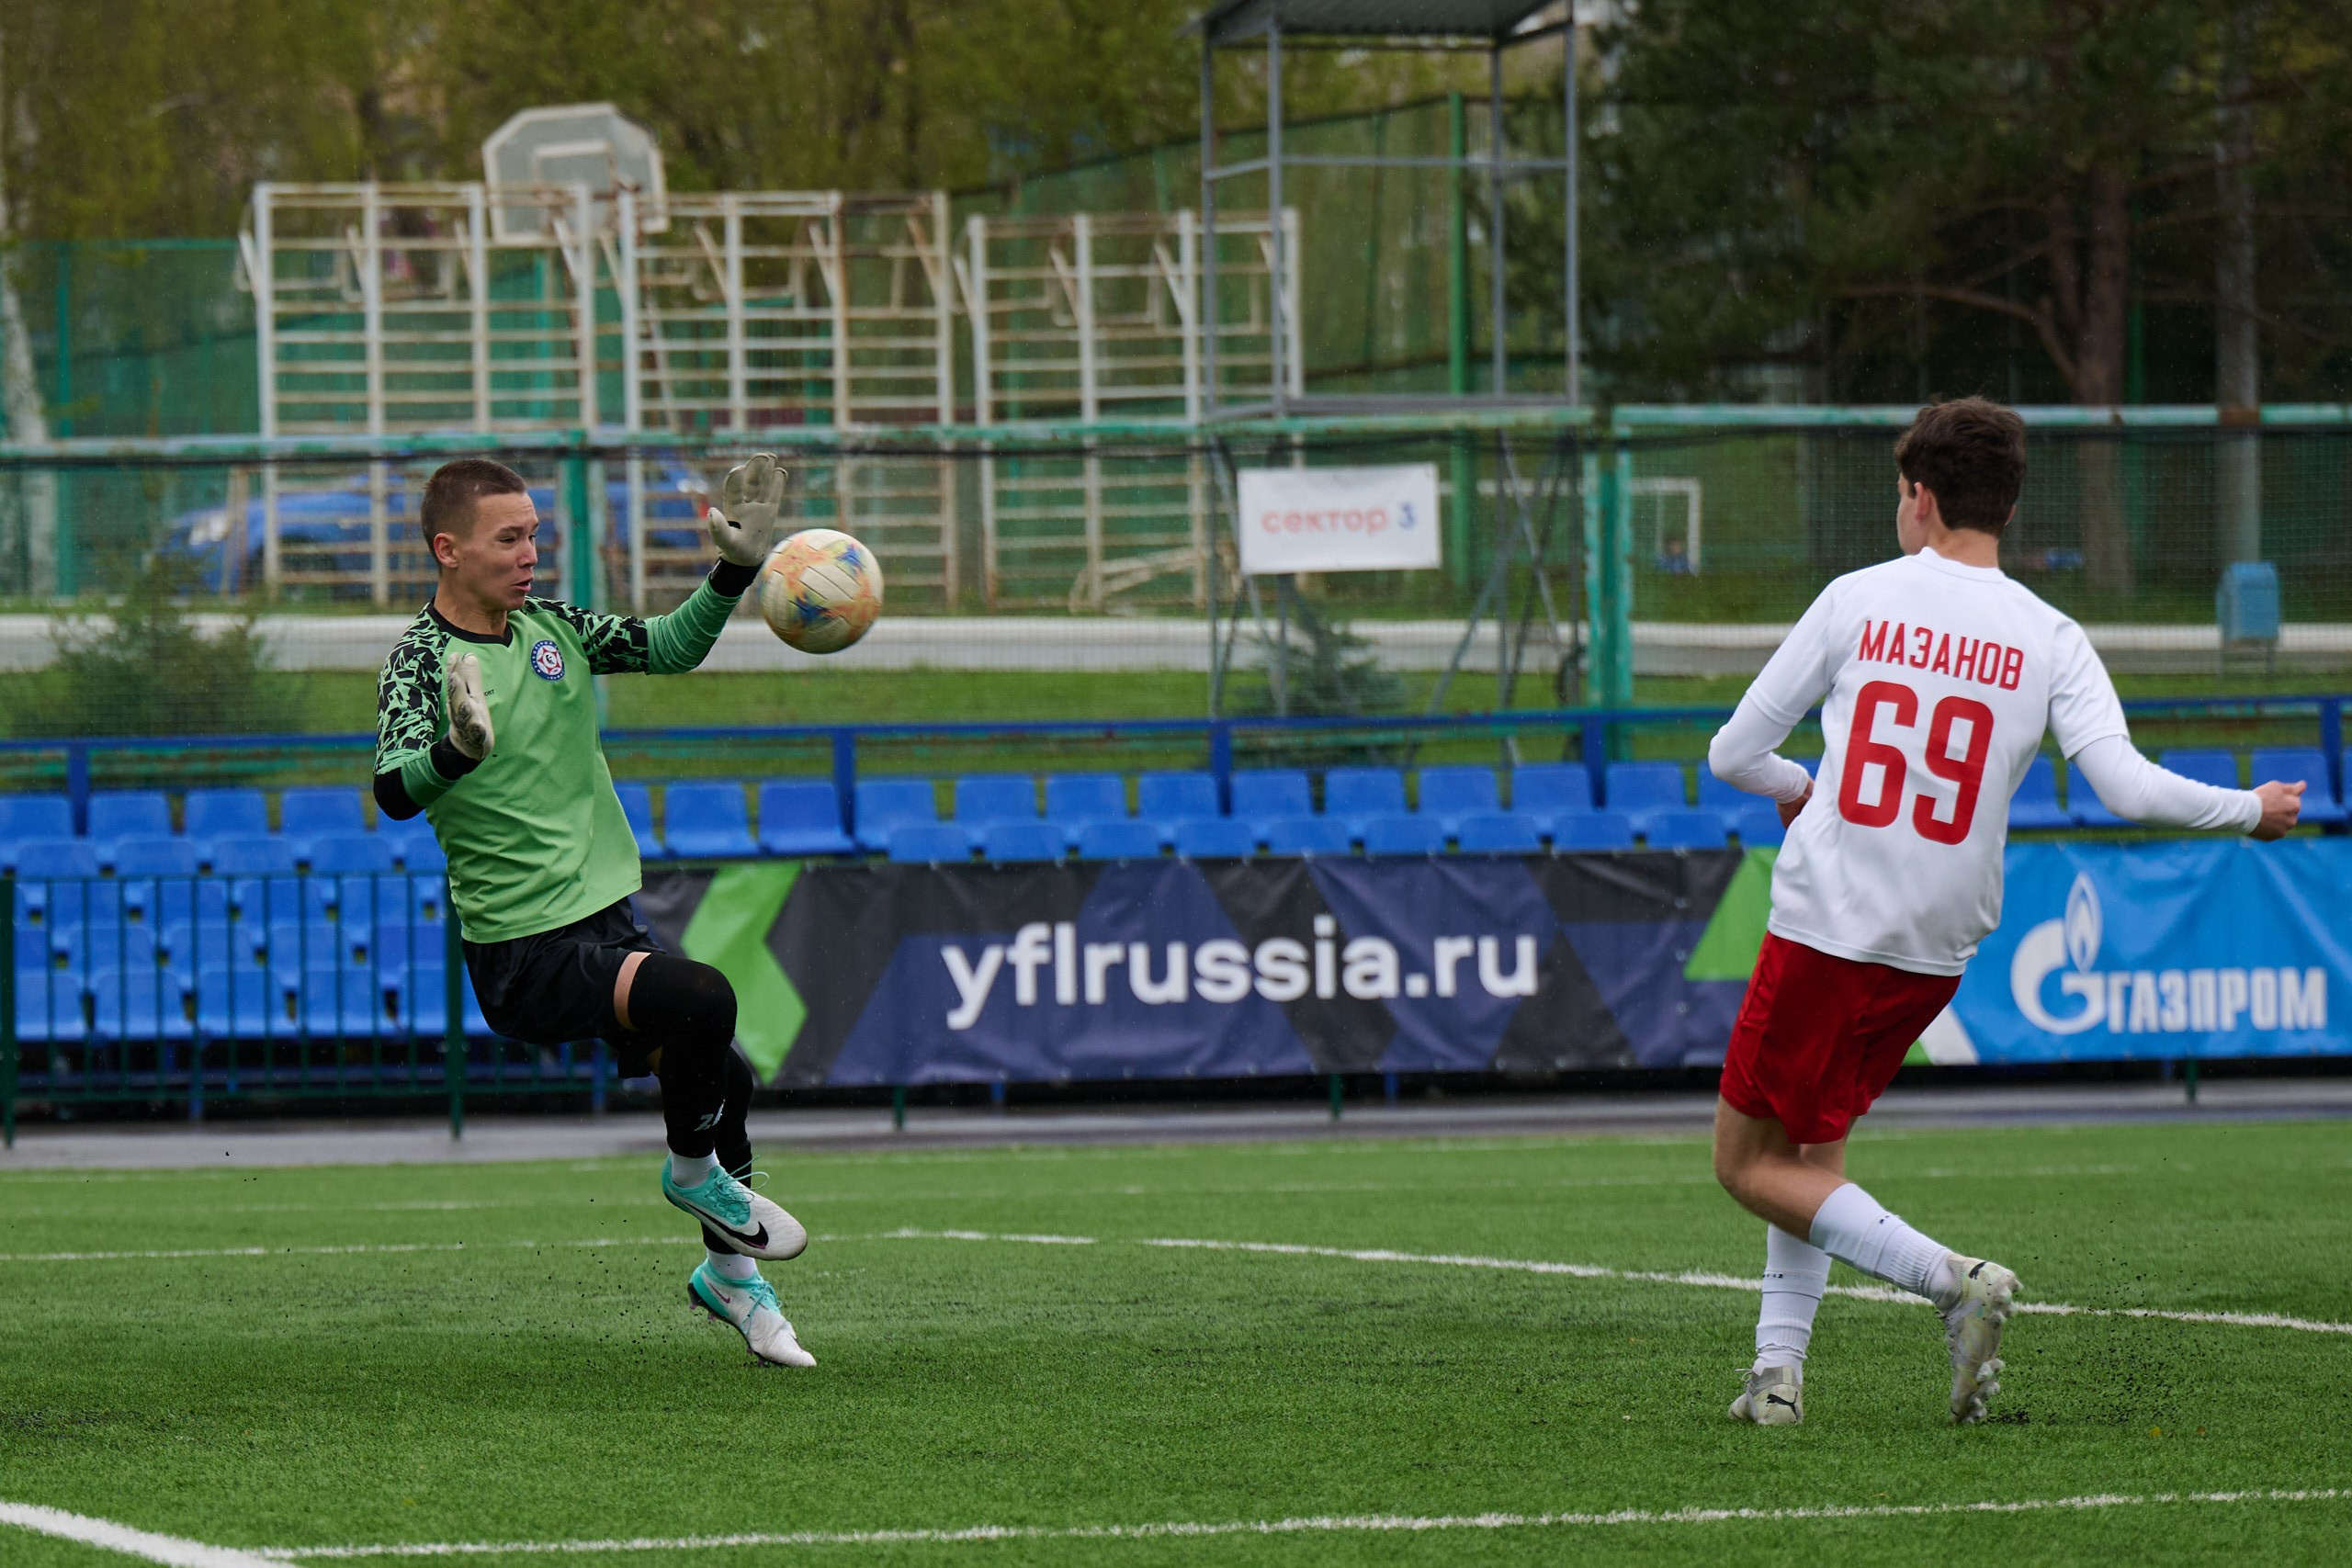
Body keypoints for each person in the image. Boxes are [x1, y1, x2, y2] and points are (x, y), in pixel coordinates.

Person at [1705, 398, 2303, 1427]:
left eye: (1902, 491)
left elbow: (1729, 756)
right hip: (1935, 950)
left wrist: (1804, 784)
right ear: (2009, 507)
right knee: (1814, 1149)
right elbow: (2123, 786)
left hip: (1826, 925)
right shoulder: (2049, 633)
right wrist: (2248, 809)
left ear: (1919, 498)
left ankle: (1950, 1279)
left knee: (1746, 1164)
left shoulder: (1857, 598)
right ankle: (1776, 1376)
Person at [373, 453, 819, 1368]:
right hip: (522, 950)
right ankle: (693, 1178)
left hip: (604, 921)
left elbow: (668, 648)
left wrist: (734, 569)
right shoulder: (420, 660)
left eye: (535, 532)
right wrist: (454, 753)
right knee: (700, 999)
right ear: (448, 550)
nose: (531, 551)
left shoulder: (552, 627)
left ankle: (730, 1281)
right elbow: (391, 790)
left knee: (723, 1076)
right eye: (510, 537)